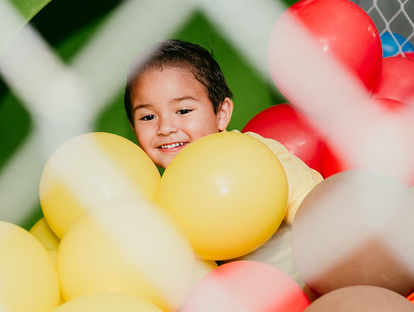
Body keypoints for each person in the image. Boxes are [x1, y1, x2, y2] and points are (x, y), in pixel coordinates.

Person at [124, 39, 322, 226]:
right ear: (134, 127)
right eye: (148, 117)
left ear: (221, 113)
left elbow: (318, 212)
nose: (166, 128)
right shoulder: (162, 195)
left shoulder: (256, 156)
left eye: (183, 111)